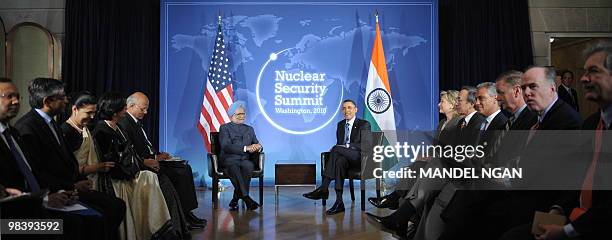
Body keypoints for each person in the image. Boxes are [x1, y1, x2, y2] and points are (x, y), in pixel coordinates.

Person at [501, 41, 612, 240]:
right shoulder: (591, 123)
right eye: (585, 72)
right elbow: (577, 178)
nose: (584, 78)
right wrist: (557, 210)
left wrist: (566, 230)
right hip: (570, 213)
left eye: (594, 71)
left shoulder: (569, 121)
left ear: (552, 89)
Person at [15, 78, 125, 240]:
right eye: (62, 97)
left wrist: (79, 181)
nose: (66, 100)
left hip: (68, 188)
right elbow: (36, 170)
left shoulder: (50, 122)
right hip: (50, 193)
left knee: (116, 206)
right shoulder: (27, 127)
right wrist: (68, 187)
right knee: (90, 219)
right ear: (48, 101)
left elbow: (67, 161)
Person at [61, 92, 174, 240]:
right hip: (90, 180)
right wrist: (97, 168)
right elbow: (69, 167)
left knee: (153, 178)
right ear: (75, 109)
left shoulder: (86, 129)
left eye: (93, 113)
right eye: (88, 113)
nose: (92, 117)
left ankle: (161, 229)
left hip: (106, 174)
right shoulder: (70, 131)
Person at [118, 92, 206, 227]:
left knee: (184, 168)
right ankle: (184, 216)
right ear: (131, 106)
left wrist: (159, 154)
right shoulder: (125, 123)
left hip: (153, 159)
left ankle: (187, 212)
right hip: (144, 164)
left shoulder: (135, 122)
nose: (146, 112)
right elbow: (132, 152)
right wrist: (155, 157)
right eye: (143, 108)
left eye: (146, 108)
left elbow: (146, 145)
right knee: (180, 173)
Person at [368, 90, 462, 210]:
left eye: (442, 101)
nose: (439, 104)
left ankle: (394, 199)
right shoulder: (442, 123)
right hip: (434, 161)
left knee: (416, 167)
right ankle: (399, 207)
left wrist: (431, 157)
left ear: (452, 104)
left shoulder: (458, 123)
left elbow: (450, 149)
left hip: (443, 166)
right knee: (409, 169)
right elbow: (435, 146)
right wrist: (425, 154)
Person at [303, 99, 372, 215]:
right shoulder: (340, 125)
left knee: (335, 149)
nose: (346, 111)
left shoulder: (364, 124)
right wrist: (339, 148)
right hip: (345, 158)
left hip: (359, 158)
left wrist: (345, 146)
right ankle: (339, 203)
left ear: (355, 110)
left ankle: (324, 187)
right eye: (344, 108)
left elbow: (366, 145)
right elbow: (340, 145)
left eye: (349, 108)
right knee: (339, 161)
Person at [218, 100, 262, 211]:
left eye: (243, 114)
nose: (242, 116)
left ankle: (235, 199)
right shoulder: (224, 128)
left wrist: (258, 147)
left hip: (245, 159)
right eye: (239, 114)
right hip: (229, 159)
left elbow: (256, 143)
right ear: (231, 116)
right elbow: (226, 146)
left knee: (248, 166)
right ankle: (247, 198)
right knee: (234, 167)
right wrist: (245, 148)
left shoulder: (249, 129)